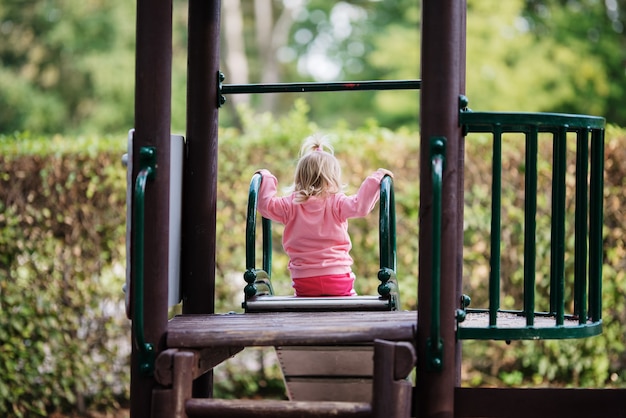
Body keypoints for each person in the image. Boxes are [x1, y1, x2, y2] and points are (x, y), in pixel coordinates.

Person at [255, 134, 393, 297]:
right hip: (338, 277)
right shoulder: (337, 202)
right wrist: (376, 179)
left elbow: (265, 206)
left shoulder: (290, 204)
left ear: (300, 176)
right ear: (332, 177)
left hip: (303, 280)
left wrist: (266, 178)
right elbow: (360, 206)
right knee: (349, 300)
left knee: (305, 302)